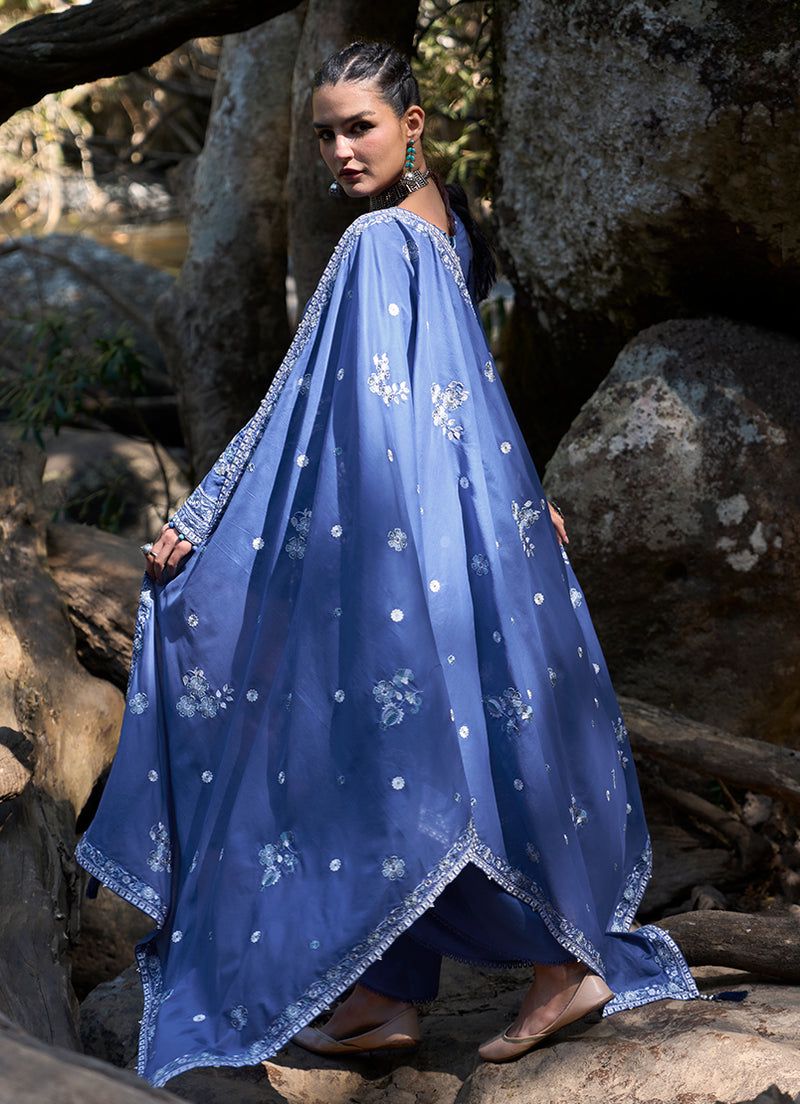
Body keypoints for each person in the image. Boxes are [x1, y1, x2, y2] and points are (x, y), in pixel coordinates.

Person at [75, 39, 708, 1089]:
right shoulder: (441, 225)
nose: (339, 149)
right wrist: (515, 495)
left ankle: (557, 963)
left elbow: (310, 402)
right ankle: (382, 993)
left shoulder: (377, 239)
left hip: (400, 535)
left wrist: (207, 512)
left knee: (375, 742)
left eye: (359, 126)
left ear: (412, 123)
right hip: (460, 531)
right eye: (324, 133)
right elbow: (452, 394)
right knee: (431, 746)